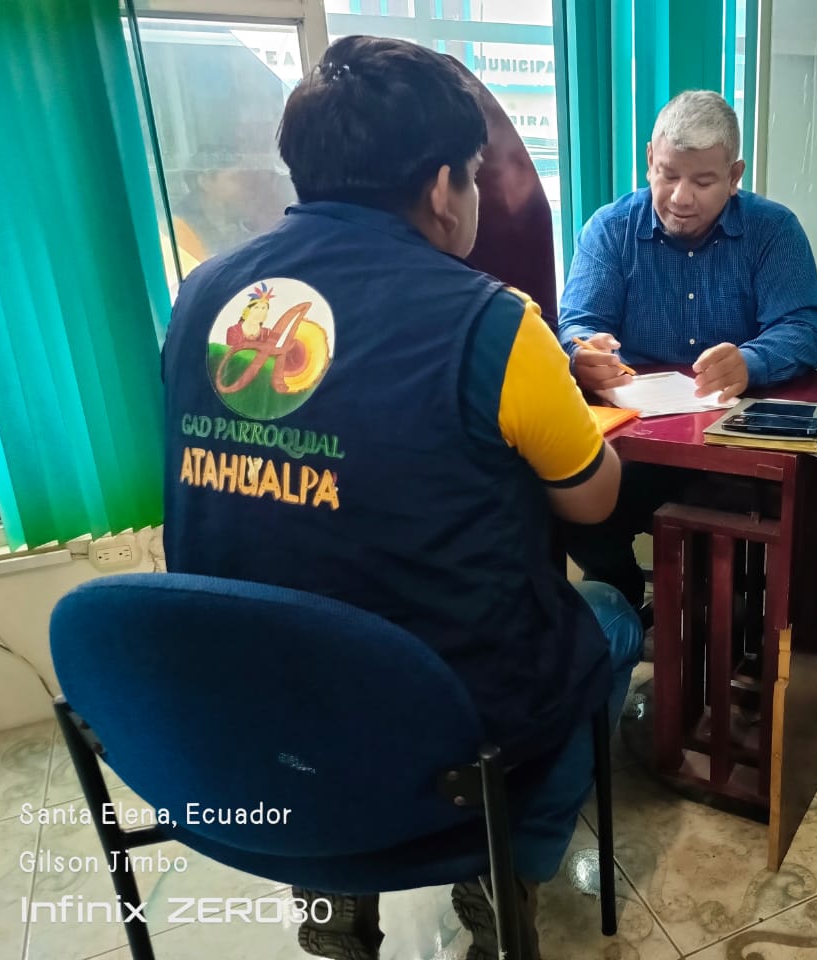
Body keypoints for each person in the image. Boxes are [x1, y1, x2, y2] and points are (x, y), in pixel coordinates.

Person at [161, 36, 640, 960]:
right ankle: (503, 873)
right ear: (441, 188)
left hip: (250, 702)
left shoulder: (204, 299)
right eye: (473, 175)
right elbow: (592, 503)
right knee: (612, 619)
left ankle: (330, 884)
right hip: (437, 722)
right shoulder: (494, 321)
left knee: (317, 632)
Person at [556, 90, 817, 609]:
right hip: (640, 440)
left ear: (734, 175)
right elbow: (578, 324)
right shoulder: (611, 229)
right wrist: (582, 354)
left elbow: (804, 326)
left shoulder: (772, 231)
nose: (680, 197)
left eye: (703, 182)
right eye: (667, 175)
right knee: (571, 497)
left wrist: (751, 361)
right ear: (649, 160)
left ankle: (733, 619)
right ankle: (622, 600)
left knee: (779, 533)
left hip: (736, 443)